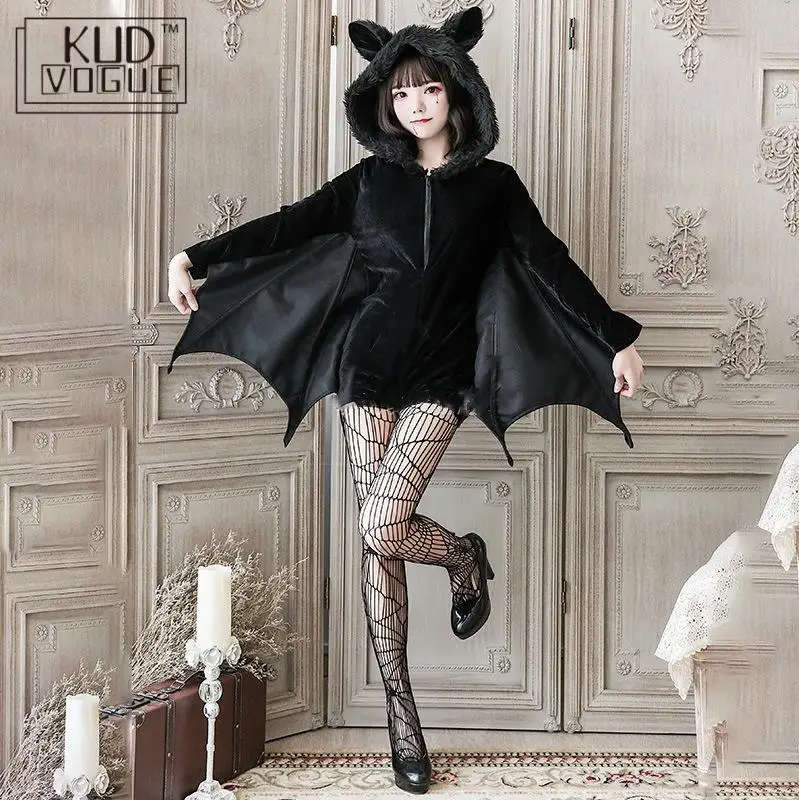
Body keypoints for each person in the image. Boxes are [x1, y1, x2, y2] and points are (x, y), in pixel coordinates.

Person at [167, 8, 644, 795]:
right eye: (401, 92)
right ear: (385, 103)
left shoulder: (493, 188)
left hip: (443, 379)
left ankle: (463, 556)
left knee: (381, 524)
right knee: (378, 543)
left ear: (457, 92)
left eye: (429, 88)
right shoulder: (368, 183)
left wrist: (617, 338)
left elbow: (551, 264)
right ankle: (402, 716)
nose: (416, 103)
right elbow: (286, 228)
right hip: (366, 373)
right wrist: (196, 256)